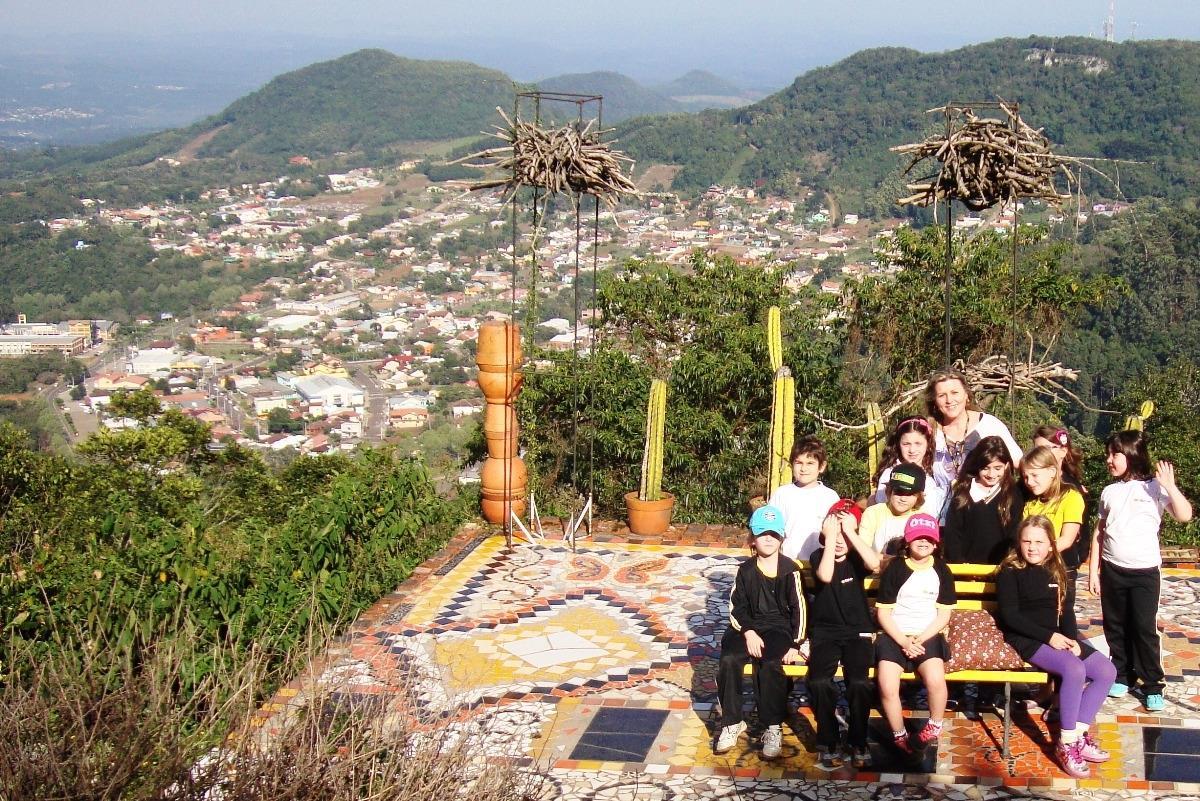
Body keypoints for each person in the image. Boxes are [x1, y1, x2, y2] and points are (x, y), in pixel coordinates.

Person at [996, 516, 1116, 778]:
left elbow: (1067, 612)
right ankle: (1066, 743)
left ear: (1051, 544)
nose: (1032, 547)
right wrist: (1050, 638)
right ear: (1019, 542)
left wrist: (1072, 640)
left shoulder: (1059, 570)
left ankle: (1078, 735)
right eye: (1026, 541)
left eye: (1039, 542)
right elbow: (1010, 616)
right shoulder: (1009, 571)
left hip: (1058, 636)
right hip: (1027, 637)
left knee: (1106, 671)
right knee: (1073, 669)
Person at [1088, 430, 1193, 713]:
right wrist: (1093, 570)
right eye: (1108, 454)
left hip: (1144, 572)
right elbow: (1099, 533)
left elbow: (1184, 515)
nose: (1109, 460)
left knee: (1144, 628)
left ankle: (1152, 684)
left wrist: (1170, 486)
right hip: (1112, 570)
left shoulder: (1154, 489)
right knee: (1115, 626)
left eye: (1115, 455)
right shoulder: (1110, 491)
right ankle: (1121, 674)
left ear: (1132, 456)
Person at [715, 505, 808, 759]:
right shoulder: (745, 570)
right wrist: (748, 632)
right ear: (753, 539)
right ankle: (732, 721)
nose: (768, 539)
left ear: (781, 538)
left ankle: (772, 725)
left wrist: (796, 643)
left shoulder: (791, 570)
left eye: (774, 534)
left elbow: (800, 609)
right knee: (729, 660)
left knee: (769, 664)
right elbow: (737, 608)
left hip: (778, 629)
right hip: (748, 628)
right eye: (762, 534)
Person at [875, 513, 957, 757]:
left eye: (929, 538)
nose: (923, 542)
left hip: (927, 634)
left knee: (935, 679)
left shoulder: (942, 570)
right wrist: (902, 640)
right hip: (894, 633)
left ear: (936, 542)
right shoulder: (895, 569)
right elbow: (884, 613)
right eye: (918, 537)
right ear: (907, 541)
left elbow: (943, 614)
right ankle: (899, 733)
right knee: (887, 684)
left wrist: (920, 639)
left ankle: (934, 724)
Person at [808, 499, 880, 769]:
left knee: (860, 683)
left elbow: (874, 563)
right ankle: (828, 740)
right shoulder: (819, 555)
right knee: (819, 682)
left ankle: (858, 740)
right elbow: (825, 576)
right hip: (826, 632)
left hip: (857, 631)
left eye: (844, 535)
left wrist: (851, 533)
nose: (839, 542)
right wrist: (830, 539)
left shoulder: (857, 560)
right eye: (833, 534)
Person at [1022, 445, 1086, 639]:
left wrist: (1040, 553)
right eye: (1025, 477)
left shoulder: (1071, 497)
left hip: (1061, 567)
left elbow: (1067, 538)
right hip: (1035, 568)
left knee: (1063, 613)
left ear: (1052, 471)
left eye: (1034, 475)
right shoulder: (1030, 504)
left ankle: (1071, 652)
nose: (1029, 482)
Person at [925, 368, 1022, 489]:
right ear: (934, 401)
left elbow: (1020, 463)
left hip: (989, 505)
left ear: (966, 395)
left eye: (955, 393)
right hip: (942, 506)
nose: (949, 400)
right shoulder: (928, 432)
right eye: (941, 395)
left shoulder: (989, 425)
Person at [942, 436, 1023, 564]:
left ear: (1007, 465)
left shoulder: (1013, 495)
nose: (991, 474)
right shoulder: (963, 494)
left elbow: (1014, 534)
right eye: (985, 468)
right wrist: (958, 562)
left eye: (998, 468)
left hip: (1000, 569)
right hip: (966, 569)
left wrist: (1008, 563)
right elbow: (953, 534)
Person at [768, 435, 840, 561]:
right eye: (799, 463)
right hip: (788, 563)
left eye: (810, 463)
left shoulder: (830, 497)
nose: (803, 469)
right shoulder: (782, 494)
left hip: (821, 564)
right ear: (792, 464)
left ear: (822, 466)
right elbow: (771, 529)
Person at [871, 415, 947, 517]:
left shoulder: (935, 472)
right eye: (906, 444)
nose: (912, 450)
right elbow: (881, 509)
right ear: (898, 444)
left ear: (928, 444)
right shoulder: (891, 474)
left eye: (918, 443)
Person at [860, 463, 925, 556]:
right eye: (899, 492)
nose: (903, 498)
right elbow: (863, 549)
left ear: (919, 497)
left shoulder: (922, 519)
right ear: (889, 490)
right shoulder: (873, 513)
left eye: (910, 494)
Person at [1032, 426, 1088, 495]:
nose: (1040, 453)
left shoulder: (1072, 489)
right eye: (1036, 450)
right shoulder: (1029, 484)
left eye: (1046, 448)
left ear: (1063, 451)